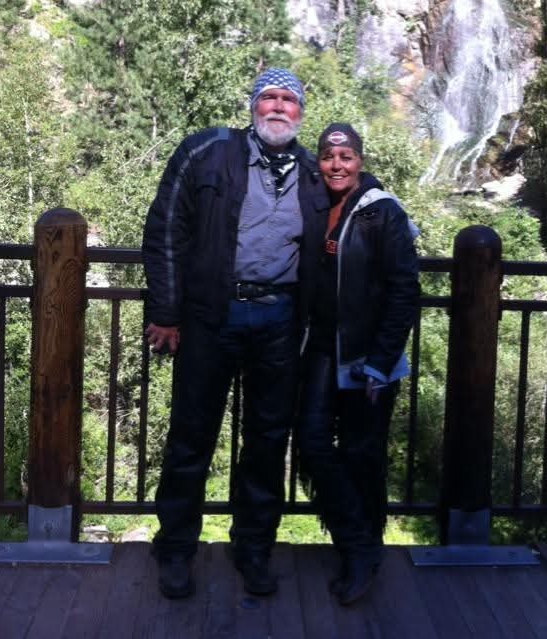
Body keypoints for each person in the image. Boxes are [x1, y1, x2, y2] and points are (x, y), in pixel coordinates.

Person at [142, 69, 328, 599]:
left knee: (268, 441)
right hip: (210, 316)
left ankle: (253, 548)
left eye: (288, 99)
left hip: (280, 322)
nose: (278, 107)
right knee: (191, 436)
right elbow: (166, 228)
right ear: (253, 106)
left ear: (300, 112)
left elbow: (359, 200)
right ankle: (175, 548)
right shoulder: (207, 152)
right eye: (268, 97)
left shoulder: (314, 173)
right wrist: (167, 311)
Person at [296, 123, 420, 606]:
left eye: (346, 157)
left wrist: (381, 362)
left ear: (360, 161)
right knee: (311, 443)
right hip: (320, 349)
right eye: (329, 157)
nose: (337, 165)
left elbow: (404, 291)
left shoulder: (382, 211)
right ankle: (357, 543)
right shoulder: (315, 206)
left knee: (361, 453)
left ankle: (362, 551)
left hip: (366, 355)